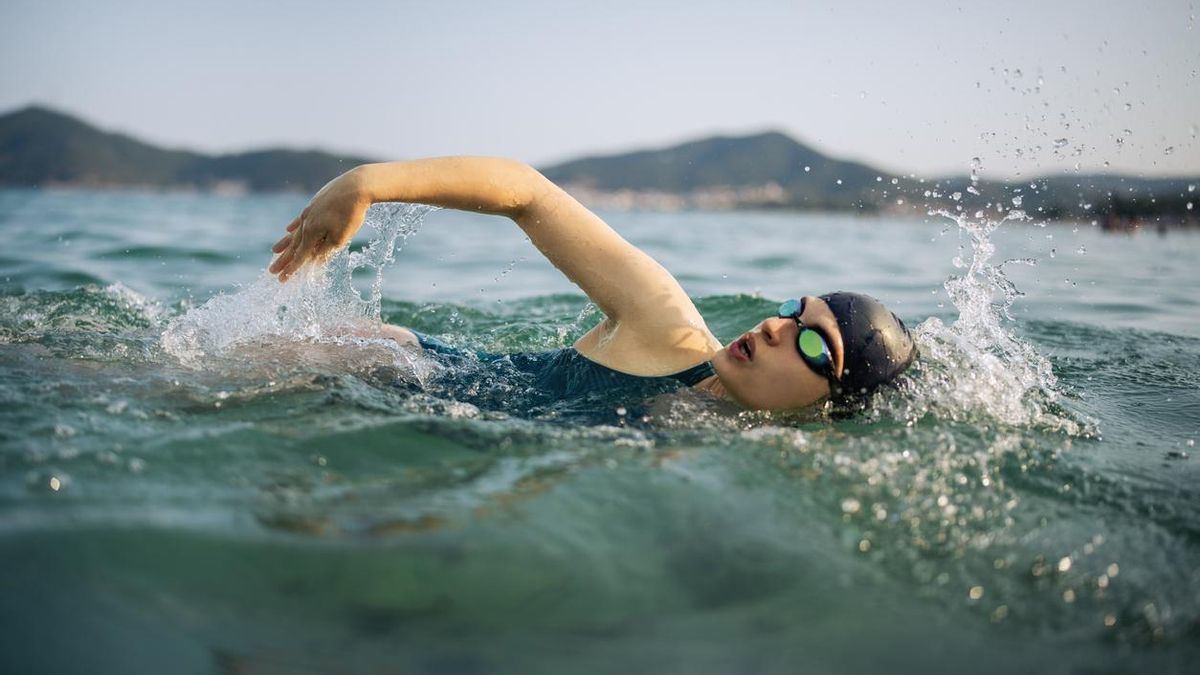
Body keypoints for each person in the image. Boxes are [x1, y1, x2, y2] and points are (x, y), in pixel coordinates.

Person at [269, 157, 916, 413]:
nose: (776, 328)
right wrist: (366, 184)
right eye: (791, 310)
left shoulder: (752, 456)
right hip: (381, 367)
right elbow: (527, 194)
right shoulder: (667, 325)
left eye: (811, 346)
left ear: (834, 406)